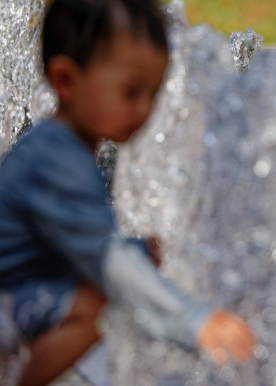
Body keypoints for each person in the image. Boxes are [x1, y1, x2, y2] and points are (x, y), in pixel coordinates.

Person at [0, 1, 254, 385]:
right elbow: (105, 259)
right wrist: (194, 321)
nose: (144, 109)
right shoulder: (55, 156)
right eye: (131, 91)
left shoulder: (59, 145)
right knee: (99, 301)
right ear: (66, 81)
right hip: (7, 309)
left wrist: (134, 253)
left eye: (153, 93)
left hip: (16, 299)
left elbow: (83, 246)